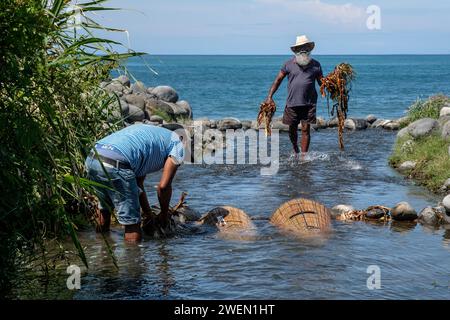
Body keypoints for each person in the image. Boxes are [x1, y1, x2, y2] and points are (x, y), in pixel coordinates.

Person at [84, 124, 185, 242]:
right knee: (132, 224)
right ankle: (132, 259)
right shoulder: (178, 144)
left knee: (104, 209)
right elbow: (163, 187)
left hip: (93, 158)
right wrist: (163, 216)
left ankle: (102, 250)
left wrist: (148, 214)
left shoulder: (151, 136)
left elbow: (138, 184)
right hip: (117, 164)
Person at [265, 35, 323, 157]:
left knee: (305, 130)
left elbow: (321, 83)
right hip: (292, 103)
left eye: (305, 47)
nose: (303, 50)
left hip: (309, 103)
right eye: (300, 48)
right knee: (292, 130)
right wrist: (270, 97)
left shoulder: (316, 65)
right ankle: (295, 148)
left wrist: (333, 86)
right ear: (296, 50)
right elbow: (277, 80)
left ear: (309, 49)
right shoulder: (288, 64)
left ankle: (303, 156)